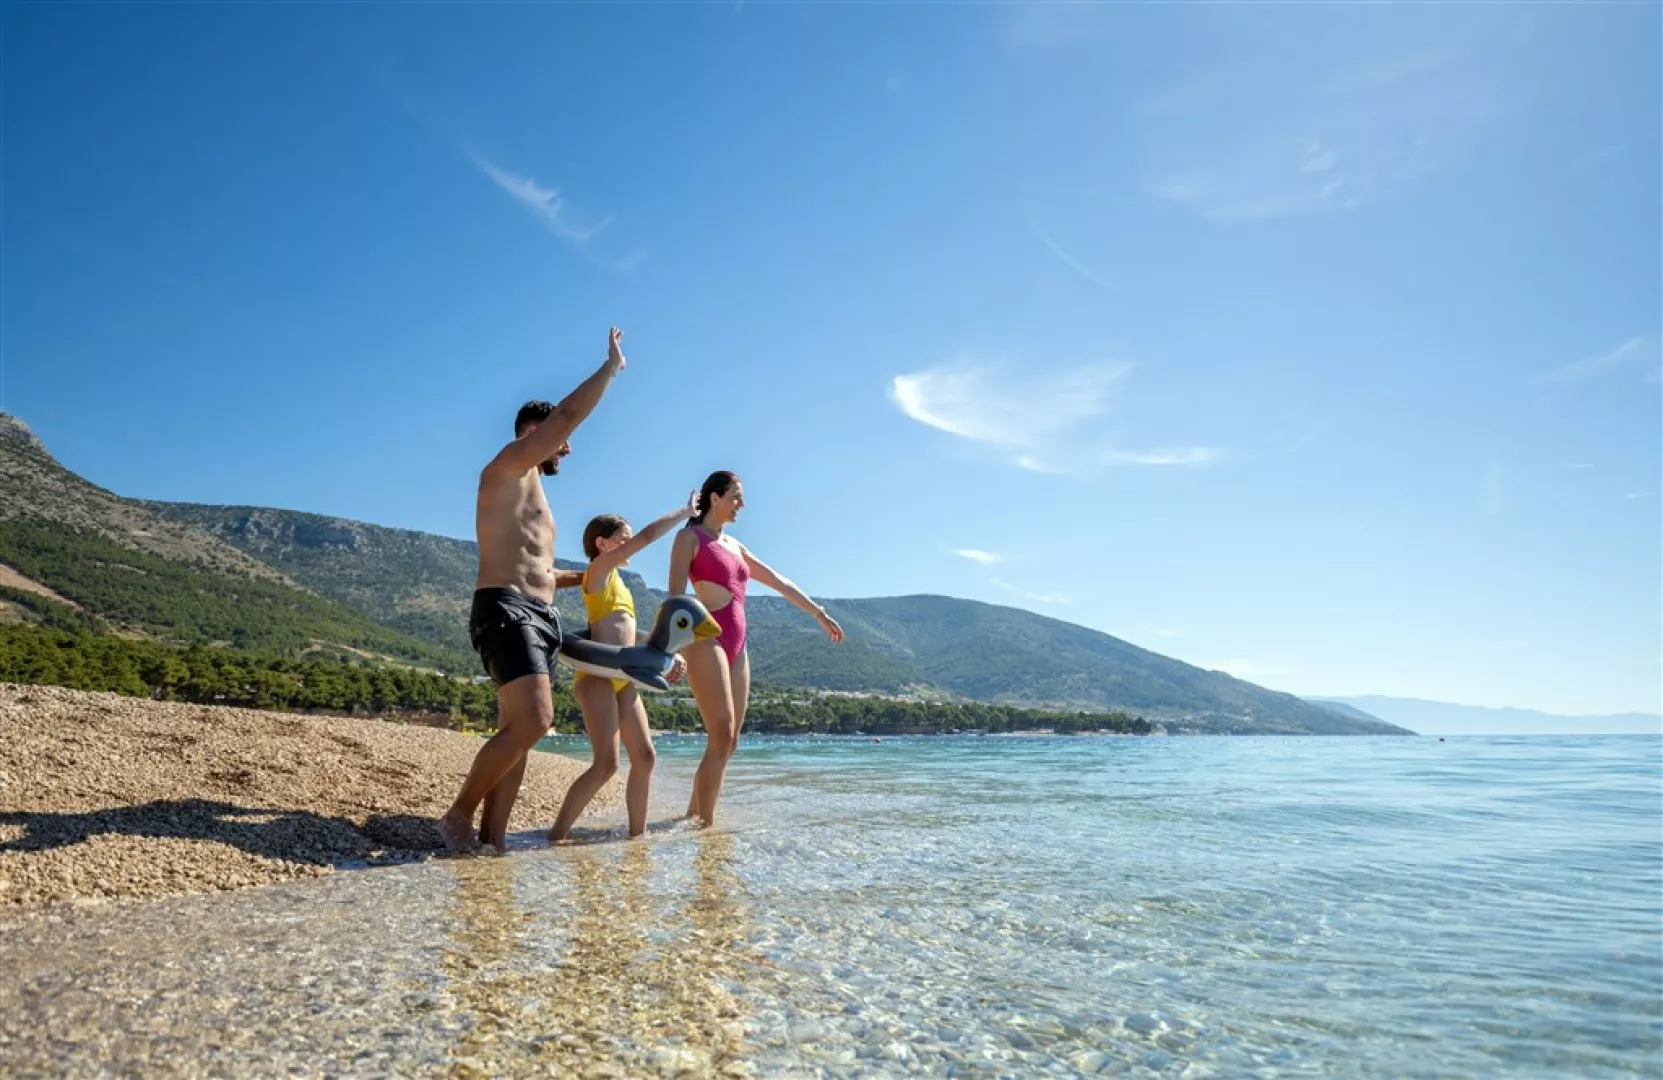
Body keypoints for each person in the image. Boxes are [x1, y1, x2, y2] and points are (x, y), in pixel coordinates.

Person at [437, 326, 628, 853]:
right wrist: (610, 369)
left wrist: (590, 574)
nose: (567, 446)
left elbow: (542, 573)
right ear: (533, 431)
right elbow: (566, 418)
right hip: (505, 609)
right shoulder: (506, 466)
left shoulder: (534, 495)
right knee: (537, 721)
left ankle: (492, 843)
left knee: (518, 733)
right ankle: (458, 813)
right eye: (558, 437)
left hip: (540, 617)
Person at [668, 471, 843, 826]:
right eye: (735, 496)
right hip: (706, 640)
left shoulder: (736, 547)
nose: (742, 504)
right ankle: (706, 829)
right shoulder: (689, 538)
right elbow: (675, 599)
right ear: (714, 498)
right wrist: (670, 650)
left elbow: (779, 581)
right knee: (720, 734)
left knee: (729, 741)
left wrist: (818, 613)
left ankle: (692, 815)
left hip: (738, 645)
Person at [548, 495, 699, 842]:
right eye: (622, 538)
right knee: (606, 764)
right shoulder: (598, 572)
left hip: (622, 678)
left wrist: (670, 655)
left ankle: (637, 839)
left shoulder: (619, 582)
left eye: (629, 538)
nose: (629, 543)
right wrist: (686, 512)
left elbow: (628, 634)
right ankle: (556, 836)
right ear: (602, 544)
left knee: (645, 756)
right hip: (597, 679)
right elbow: (647, 536)